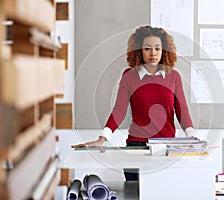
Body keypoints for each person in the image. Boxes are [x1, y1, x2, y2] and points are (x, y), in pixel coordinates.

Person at [72, 25, 195, 180]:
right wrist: (102, 138)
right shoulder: (129, 76)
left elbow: (182, 109)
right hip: (136, 147)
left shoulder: (174, 76)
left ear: (164, 50)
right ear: (139, 51)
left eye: (157, 48)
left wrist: (192, 138)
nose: (153, 53)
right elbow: (119, 110)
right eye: (147, 48)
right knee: (133, 192)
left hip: (166, 148)